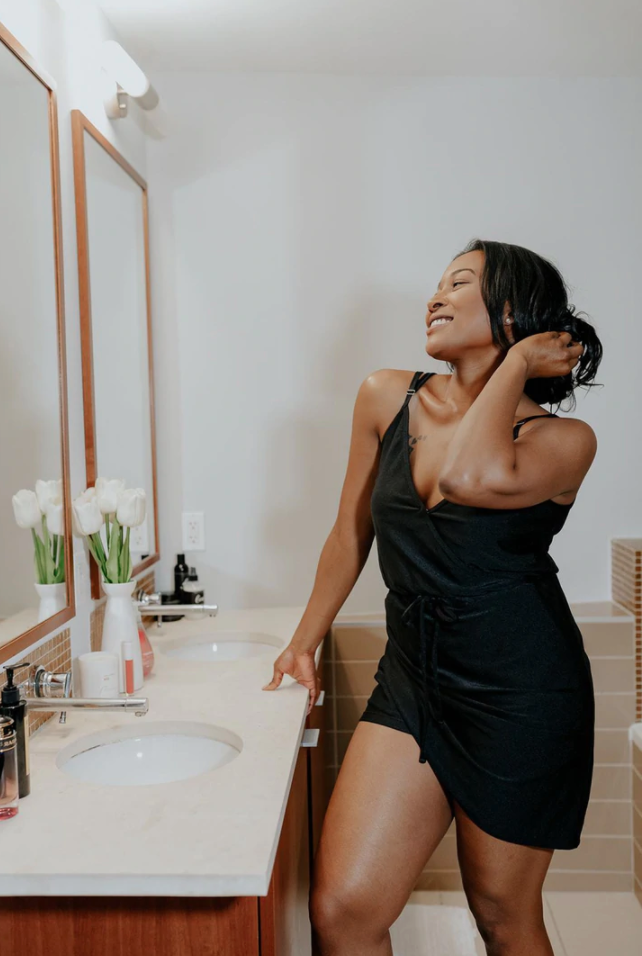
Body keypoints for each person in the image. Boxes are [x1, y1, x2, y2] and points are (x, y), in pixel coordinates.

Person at [262, 238, 602, 956]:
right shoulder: (386, 395)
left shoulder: (566, 441)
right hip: (413, 677)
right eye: (438, 283)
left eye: (460, 282)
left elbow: (470, 478)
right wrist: (302, 642)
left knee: (502, 917)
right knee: (342, 910)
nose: (435, 296)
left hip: (521, 692)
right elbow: (350, 532)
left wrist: (514, 366)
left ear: (510, 312)